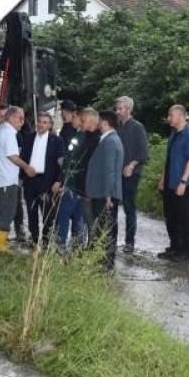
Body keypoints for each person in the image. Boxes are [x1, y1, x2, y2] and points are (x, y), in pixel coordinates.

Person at [0, 107, 37, 253]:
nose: (22, 122)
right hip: (7, 179)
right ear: (13, 118)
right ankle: (0, 244)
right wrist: (27, 167)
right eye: (21, 118)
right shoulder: (9, 133)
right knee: (8, 211)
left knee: (2, 209)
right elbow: (12, 156)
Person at [156, 105, 189, 262]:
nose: (168, 118)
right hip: (170, 182)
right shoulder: (174, 134)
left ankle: (185, 250)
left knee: (184, 217)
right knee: (171, 217)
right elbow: (169, 159)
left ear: (181, 116)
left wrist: (183, 181)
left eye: (171, 115)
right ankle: (174, 246)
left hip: (184, 184)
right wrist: (163, 178)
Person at [86, 110, 125, 271]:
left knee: (106, 229)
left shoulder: (110, 141)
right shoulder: (109, 140)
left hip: (105, 194)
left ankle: (105, 263)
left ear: (105, 122)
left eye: (99, 120)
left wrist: (108, 194)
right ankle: (103, 261)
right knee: (104, 228)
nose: (97, 123)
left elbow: (110, 170)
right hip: (103, 192)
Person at [55, 107, 98, 251]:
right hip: (82, 184)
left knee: (64, 214)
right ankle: (77, 247)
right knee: (80, 218)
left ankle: (60, 245)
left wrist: (62, 181)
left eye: (75, 117)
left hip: (73, 183)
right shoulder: (91, 136)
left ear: (80, 119)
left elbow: (70, 159)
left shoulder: (80, 136)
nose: (73, 120)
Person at [19, 112, 64, 246]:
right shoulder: (28, 138)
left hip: (47, 182)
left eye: (44, 122)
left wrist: (58, 180)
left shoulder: (56, 141)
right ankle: (33, 238)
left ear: (50, 125)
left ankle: (45, 241)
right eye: (39, 121)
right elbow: (23, 158)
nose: (41, 125)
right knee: (31, 211)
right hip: (30, 181)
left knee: (48, 214)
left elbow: (61, 163)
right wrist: (22, 176)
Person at [114, 96, 148, 254]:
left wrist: (131, 165)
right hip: (116, 173)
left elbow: (143, 153)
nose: (118, 112)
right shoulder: (117, 127)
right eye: (117, 109)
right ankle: (110, 239)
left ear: (129, 109)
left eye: (121, 109)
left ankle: (129, 242)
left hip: (131, 173)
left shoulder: (137, 127)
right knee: (111, 205)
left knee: (129, 207)